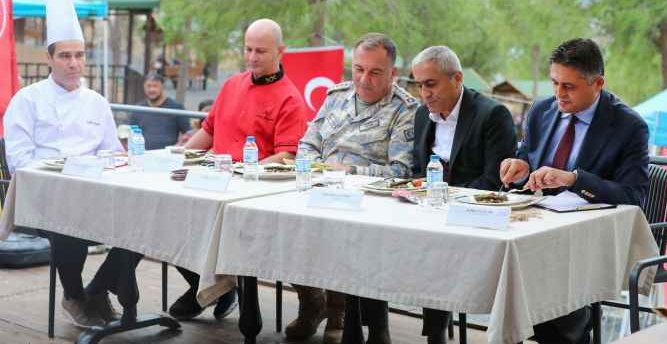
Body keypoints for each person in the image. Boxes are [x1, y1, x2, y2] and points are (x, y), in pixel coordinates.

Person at [3, 0, 143, 328]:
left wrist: (122, 165)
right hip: (42, 199)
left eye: (79, 55)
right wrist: (68, 171)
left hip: (95, 191)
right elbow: (19, 160)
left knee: (146, 223)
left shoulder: (96, 101)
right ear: (49, 58)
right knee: (69, 224)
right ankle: (74, 296)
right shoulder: (27, 99)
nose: (74, 63)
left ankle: (97, 288)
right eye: (65, 56)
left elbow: (113, 152)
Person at [500, 38, 649, 344]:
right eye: (554, 83)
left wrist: (573, 179)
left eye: (569, 86)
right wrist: (519, 166)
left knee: (549, 300)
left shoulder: (629, 126)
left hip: (585, 241)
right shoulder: (541, 110)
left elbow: (633, 197)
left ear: (598, 83)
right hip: (533, 229)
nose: (558, 94)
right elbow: (528, 157)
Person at [168, 18, 308, 320]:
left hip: (251, 195)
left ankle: (211, 290)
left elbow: (287, 155)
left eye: (261, 51)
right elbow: (208, 131)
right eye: (248, 49)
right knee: (167, 216)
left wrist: (245, 169)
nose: (253, 57)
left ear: (281, 51)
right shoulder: (232, 84)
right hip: (211, 184)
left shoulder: (290, 99)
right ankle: (209, 287)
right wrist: (179, 157)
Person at [287, 33, 418, 344]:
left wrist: (348, 172)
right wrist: (313, 169)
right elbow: (307, 143)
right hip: (317, 188)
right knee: (282, 227)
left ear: (393, 74)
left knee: (342, 233)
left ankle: (339, 312)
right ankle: (311, 300)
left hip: (365, 199)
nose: (364, 79)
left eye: (375, 72)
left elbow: (401, 172)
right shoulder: (336, 95)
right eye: (358, 69)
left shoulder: (405, 109)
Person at [408, 46, 517, 344]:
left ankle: (436, 334)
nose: (424, 93)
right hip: (429, 212)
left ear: (457, 78)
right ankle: (372, 325)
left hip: (475, 215)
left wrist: (448, 200)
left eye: (431, 84)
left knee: (436, 244)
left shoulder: (492, 115)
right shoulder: (422, 115)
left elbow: (495, 179)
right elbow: (418, 169)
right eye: (419, 85)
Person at [128, 73, 191, 150]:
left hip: (168, 155)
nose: (152, 89)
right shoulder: (138, 109)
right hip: (143, 155)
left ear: (162, 87)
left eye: (155, 86)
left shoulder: (176, 107)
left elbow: (188, 133)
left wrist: (180, 145)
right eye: (149, 86)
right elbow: (130, 133)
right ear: (144, 87)